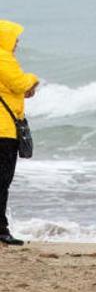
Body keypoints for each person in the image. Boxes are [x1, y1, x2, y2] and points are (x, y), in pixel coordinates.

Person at [0, 20, 39, 246]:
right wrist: (33, 79)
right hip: (3, 131)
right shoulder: (3, 57)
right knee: (2, 181)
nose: (17, 43)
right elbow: (19, 83)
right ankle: (1, 229)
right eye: (15, 38)